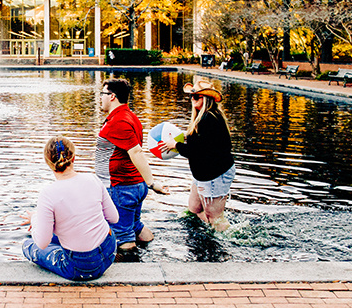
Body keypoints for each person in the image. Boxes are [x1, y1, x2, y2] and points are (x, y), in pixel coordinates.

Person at [22, 136, 119, 281]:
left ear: (48, 163)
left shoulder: (48, 194)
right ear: (73, 158)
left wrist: (35, 219)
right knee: (56, 235)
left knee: (28, 245)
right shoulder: (93, 179)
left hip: (80, 268)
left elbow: (42, 243)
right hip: (109, 253)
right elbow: (114, 218)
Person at [97, 79, 167, 251]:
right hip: (133, 185)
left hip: (122, 187)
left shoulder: (119, 121)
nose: (100, 98)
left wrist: (152, 183)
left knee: (123, 237)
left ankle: (132, 272)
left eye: (102, 94)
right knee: (135, 226)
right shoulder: (129, 116)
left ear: (112, 96)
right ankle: (151, 252)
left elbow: (136, 152)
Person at [159, 80, 235, 231]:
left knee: (215, 217)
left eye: (196, 96)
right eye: (191, 96)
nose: (192, 99)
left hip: (215, 174)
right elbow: (203, 144)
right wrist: (183, 139)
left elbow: (196, 152)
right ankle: (204, 235)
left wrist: (176, 145)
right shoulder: (204, 118)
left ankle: (231, 241)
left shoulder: (208, 119)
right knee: (194, 209)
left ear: (206, 98)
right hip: (203, 173)